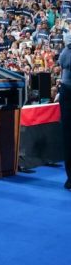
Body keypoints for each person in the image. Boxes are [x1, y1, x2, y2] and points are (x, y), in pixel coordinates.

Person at [59, 32, 71, 190]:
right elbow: (63, 63)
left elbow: (62, 63)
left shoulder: (67, 50)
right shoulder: (67, 50)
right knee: (68, 136)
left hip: (67, 91)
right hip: (68, 92)